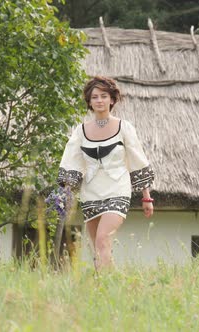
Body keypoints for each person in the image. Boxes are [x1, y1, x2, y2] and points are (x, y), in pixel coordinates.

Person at [57, 76, 155, 270]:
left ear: (112, 100)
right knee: (98, 246)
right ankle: (104, 286)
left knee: (103, 238)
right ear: (89, 102)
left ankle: (104, 283)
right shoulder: (80, 131)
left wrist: (146, 197)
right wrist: (66, 195)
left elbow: (137, 160)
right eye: (95, 97)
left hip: (117, 189)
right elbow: (72, 162)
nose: (99, 100)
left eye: (104, 96)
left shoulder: (123, 127)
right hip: (90, 192)